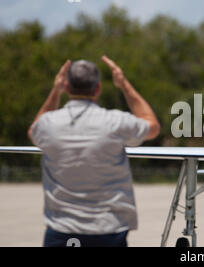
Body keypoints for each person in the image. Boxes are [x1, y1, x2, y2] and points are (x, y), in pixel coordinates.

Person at [28, 56, 160, 247]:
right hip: (109, 230)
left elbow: (34, 130)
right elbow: (152, 126)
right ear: (98, 88)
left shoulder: (48, 124)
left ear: (67, 86)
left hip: (61, 230)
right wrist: (123, 84)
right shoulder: (115, 122)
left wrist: (55, 91)